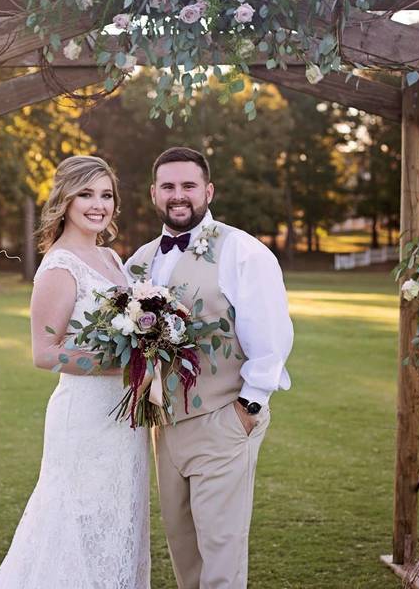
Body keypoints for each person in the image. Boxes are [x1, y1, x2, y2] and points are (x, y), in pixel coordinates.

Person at [125, 146, 294, 589]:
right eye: (168, 187)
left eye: (188, 186)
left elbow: (272, 339)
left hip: (223, 420)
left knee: (221, 554)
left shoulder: (243, 251)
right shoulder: (138, 262)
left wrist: (247, 410)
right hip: (164, 428)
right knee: (184, 552)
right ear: (153, 194)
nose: (178, 195)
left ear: (208, 190)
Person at [0, 155, 150, 589]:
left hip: (124, 421)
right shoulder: (59, 266)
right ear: (65, 199)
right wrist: (123, 361)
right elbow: (45, 353)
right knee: (74, 524)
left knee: (117, 520)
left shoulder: (112, 258)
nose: (98, 205)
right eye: (86, 194)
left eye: (106, 195)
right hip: (83, 419)